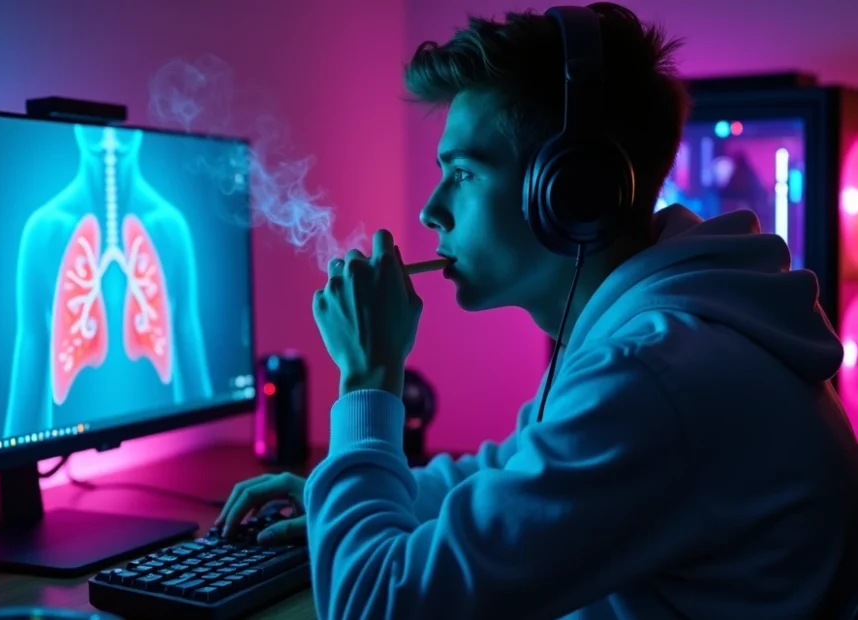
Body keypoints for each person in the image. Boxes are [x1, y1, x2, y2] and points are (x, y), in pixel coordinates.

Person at [217, 3, 858, 618]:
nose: (431, 209)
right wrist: (345, 500)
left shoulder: (652, 380)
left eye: (464, 173)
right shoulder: (660, 340)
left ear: (570, 192)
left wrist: (369, 376)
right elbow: (510, 478)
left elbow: (372, 607)